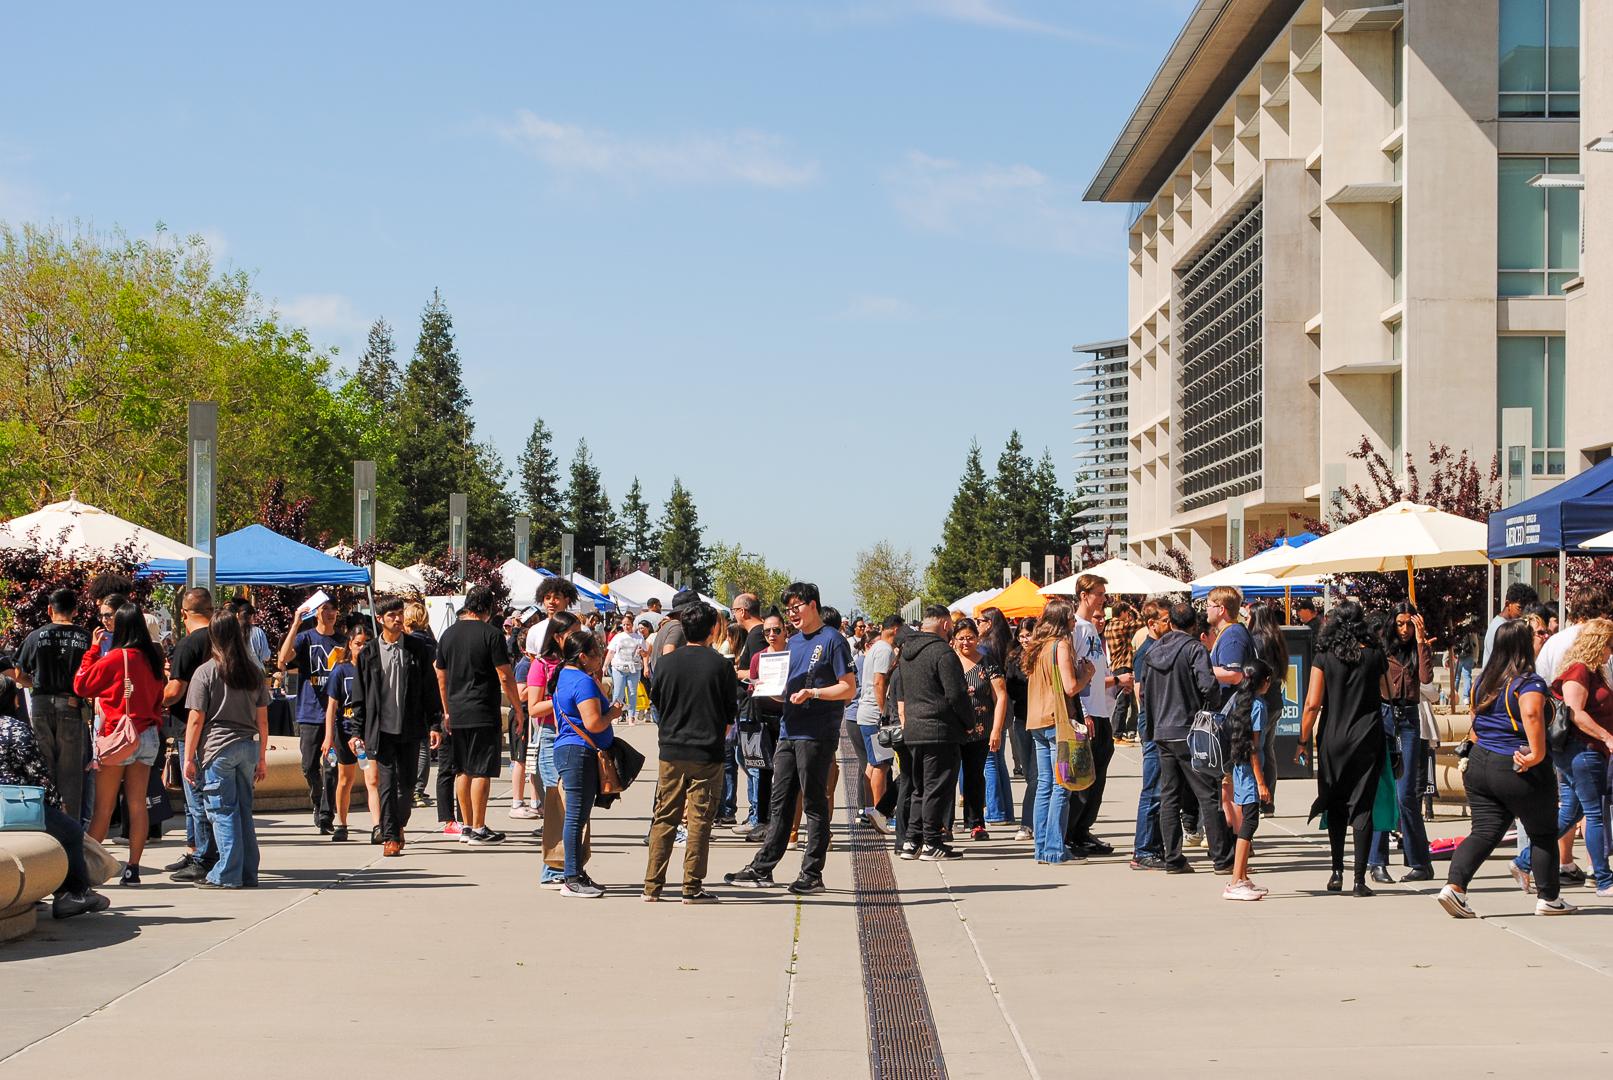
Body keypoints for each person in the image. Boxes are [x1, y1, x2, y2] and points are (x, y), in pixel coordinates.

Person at [1438, 618, 1577, 918]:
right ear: (1523, 646)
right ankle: (1549, 897)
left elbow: (1476, 721)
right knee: (1542, 831)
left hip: (1480, 763)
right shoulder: (1528, 682)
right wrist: (1538, 754)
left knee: (1484, 831)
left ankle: (1454, 887)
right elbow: (1532, 713)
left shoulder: (1482, 681)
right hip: (1516, 764)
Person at [725, 583, 856, 893]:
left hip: (817, 733)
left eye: (796, 607)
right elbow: (787, 693)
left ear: (812, 605)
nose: (792, 615)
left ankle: (812, 874)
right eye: (788, 610)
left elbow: (848, 688)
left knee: (813, 803)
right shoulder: (793, 644)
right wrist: (766, 690)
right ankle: (763, 867)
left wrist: (814, 693)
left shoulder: (833, 641)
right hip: (788, 730)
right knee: (780, 802)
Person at [643, 601, 736, 902]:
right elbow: (728, 714)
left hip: (671, 748)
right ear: (713, 630)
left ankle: (652, 886)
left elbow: (658, 701)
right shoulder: (721, 666)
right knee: (699, 820)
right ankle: (691, 886)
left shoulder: (666, 664)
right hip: (706, 751)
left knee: (664, 816)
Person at [1295, 601, 1387, 897]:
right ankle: (1360, 880)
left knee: (1334, 801)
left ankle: (1336, 871)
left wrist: (1302, 740)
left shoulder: (1324, 656)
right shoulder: (1375, 654)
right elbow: (1386, 693)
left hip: (1332, 738)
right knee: (1362, 806)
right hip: (1368, 736)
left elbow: (1311, 703)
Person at [75, 603, 166, 886]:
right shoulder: (153, 658)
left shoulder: (116, 657)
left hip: (118, 735)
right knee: (138, 805)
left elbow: (81, 685)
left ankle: (87, 869)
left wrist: (91, 650)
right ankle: (133, 868)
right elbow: (158, 698)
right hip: (147, 734)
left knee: (104, 807)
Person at [348, 595, 441, 858]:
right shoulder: (369, 654)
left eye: (400, 614)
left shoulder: (417, 649)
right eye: (391, 615)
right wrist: (357, 732)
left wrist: (435, 723)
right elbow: (360, 697)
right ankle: (390, 835)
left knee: (408, 784)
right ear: (380, 619)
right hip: (381, 731)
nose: (398, 619)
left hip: (410, 728)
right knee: (386, 784)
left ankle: (399, 824)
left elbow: (429, 689)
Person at [181, 610, 269, 888]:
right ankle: (247, 871)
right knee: (243, 810)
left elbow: (196, 719)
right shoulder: (254, 672)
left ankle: (227, 872)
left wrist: (188, 758)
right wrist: (263, 757)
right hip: (247, 746)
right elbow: (263, 719)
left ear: (213, 636)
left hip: (218, 748)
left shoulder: (206, 672)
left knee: (222, 812)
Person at [1142, 602, 1230, 874]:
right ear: (1193, 626)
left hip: (1162, 731)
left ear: (1170, 624)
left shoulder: (1153, 651)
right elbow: (1209, 686)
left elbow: (1144, 693)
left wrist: (1151, 729)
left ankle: (1173, 857)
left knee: (1170, 795)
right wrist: (1211, 710)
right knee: (1207, 793)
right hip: (1189, 730)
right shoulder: (1194, 649)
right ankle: (1221, 857)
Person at [0, 702, 110, 917]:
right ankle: (75, 893)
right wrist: (56, 803)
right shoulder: (15, 728)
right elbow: (37, 773)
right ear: (13, 700)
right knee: (71, 832)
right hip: (15, 807)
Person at [435, 585, 523, 846]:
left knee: (462, 769)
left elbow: (441, 675)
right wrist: (518, 708)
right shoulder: (491, 634)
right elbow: (505, 675)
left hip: (457, 709)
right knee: (481, 769)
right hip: (482, 708)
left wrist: (446, 709)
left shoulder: (448, 635)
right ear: (487, 609)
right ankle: (478, 827)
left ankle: (465, 826)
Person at [886, 605, 972, 862]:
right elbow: (956, 693)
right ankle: (932, 841)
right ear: (946, 625)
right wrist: (967, 721)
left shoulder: (907, 654)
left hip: (914, 728)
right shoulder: (942, 652)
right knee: (937, 786)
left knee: (919, 786)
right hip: (940, 729)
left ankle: (912, 840)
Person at [1538, 619, 1613, 898]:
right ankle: (1603, 879)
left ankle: (1523, 860)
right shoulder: (1579, 671)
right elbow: (1575, 712)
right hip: (1582, 750)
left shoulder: (1593, 671)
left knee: (1572, 811)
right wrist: (1606, 737)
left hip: (1584, 750)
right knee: (1593, 813)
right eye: (1609, 645)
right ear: (1598, 644)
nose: (1610, 651)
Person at [549, 630, 621, 897]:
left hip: (572, 750)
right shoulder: (582, 682)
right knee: (576, 817)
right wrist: (613, 713)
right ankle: (571, 877)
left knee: (577, 816)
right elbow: (593, 723)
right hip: (578, 752)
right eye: (596, 654)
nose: (600, 658)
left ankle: (576, 872)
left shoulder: (565, 677)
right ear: (582, 657)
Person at [1368, 603, 1435, 884]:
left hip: (1408, 717)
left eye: (1410, 623)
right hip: (1383, 714)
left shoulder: (1419, 648)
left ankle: (1420, 862)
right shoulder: (1383, 648)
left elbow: (1425, 679)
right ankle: (1377, 861)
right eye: (1400, 624)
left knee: (1406, 794)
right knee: (1383, 789)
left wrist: (1421, 643)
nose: (1405, 629)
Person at [1022, 600, 1092, 865]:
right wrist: (1086, 675)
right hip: (1057, 720)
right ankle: (1054, 848)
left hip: (1037, 721)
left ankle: (1042, 847)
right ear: (1063, 621)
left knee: (1044, 785)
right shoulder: (1060, 645)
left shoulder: (1037, 647)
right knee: (1063, 785)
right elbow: (1070, 686)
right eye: (1072, 618)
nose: (1075, 623)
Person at [16, 588, 93, 827]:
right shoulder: (85, 637)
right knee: (70, 772)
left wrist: (36, 684)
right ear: (76, 610)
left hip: (40, 703)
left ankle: (45, 824)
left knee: (43, 766)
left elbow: (19, 673)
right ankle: (69, 828)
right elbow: (93, 675)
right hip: (71, 704)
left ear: (50, 609)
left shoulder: (35, 636)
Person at [278, 593, 343, 834]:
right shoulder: (306, 638)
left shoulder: (342, 641)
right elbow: (282, 660)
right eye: (325, 608)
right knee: (308, 766)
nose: (329, 612)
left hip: (335, 717)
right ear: (316, 612)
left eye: (333, 608)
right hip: (309, 713)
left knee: (331, 766)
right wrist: (296, 623)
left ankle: (326, 814)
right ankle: (318, 799)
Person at [1068, 575, 1120, 858]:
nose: (1103, 598)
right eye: (1099, 593)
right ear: (1084, 595)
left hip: (1101, 711)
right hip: (1088, 712)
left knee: (1097, 779)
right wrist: (1083, 711)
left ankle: (1082, 829)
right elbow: (1074, 672)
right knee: (1085, 781)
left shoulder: (1093, 630)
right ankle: (1071, 832)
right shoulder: (1078, 629)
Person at [526, 611, 579, 886]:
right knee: (556, 802)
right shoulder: (540, 665)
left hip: (574, 736)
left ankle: (569, 865)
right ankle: (552, 868)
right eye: (574, 632)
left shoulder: (576, 663)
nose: (579, 637)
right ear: (559, 636)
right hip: (550, 735)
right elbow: (534, 707)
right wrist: (561, 698)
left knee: (570, 802)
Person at [323, 616, 378, 844]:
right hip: (345, 732)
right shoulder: (341, 671)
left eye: (366, 643)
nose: (361, 647)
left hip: (369, 733)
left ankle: (378, 825)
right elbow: (331, 707)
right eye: (358, 643)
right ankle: (342, 823)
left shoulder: (375, 670)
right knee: (345, 779)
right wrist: (329, 737)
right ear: (350, 645)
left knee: (372, 780)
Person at [1222, 659, 1273, 901]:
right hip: (1251, 772)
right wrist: (1262, 782)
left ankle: (1241, 877)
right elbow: (1253, 746)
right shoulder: (1259, 706)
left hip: (1239, 769)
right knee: (1249, 824)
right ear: (1264, 682)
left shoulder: (1239, 701)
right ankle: (1234, 882)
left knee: (1246, 820)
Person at [952, 618, 1007, 842]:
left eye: (971, 637)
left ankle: (976, 823)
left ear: (977, 638)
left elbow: (1001, 696)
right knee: (948, 777)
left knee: (975, 776)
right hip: (952, 730)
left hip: (981, 729)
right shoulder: (948, 661)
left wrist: (996, 730)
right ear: (954, 640)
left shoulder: (988, 662)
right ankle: (945, 824)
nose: (966, 642)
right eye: (962, 638)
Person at [736, 612, 789, 838]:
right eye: (767, 631)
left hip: (788, 717)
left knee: (786, 770)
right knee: (763, 770)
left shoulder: (791, 654)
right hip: (763, 717)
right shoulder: (758, 657)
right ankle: (763, 820)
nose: (771, 635)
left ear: (785, 631)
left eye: (776, 630)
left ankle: (785, 820)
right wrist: (756, 685)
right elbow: (752, 686)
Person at [1129, 599, 1170, 870]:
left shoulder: (1161, 647)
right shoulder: (1148, 651)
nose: (1170, 624)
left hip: (1159, 723)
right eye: (1165, 620)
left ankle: (1154, 845)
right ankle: (1143, 849)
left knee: (1162, 789)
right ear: (1151, 624)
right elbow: (1140, 690)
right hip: (1153, 724)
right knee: (1153, 789)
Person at [854, 615, 901, 835]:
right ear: (895, 629)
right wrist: (884, 713)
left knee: (873, 765)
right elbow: (879, 681)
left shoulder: (877, 648)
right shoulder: (884, 649)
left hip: (867, 713)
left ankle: (870, 810)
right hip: (874, 714)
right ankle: (879, 813)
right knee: (881, 764)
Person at [975, 606, 1015, 825]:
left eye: (979, 620)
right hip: (1005, 705)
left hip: (990, 707)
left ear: (989, 623)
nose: (977, 624)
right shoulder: (1007, 643)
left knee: (990, 759)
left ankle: (996, 811)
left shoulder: (984, 648)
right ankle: (1005, 810)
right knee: (998, 760)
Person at [403, 601, 441, 813]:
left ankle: (414, 788)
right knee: (424, 746)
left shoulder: (408, 643)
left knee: (416, 746)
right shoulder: (431, 643)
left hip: (410, 699)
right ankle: (419, 788)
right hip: (428, 697)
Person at [1007, 617, 1036, 839]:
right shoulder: (1014, 658)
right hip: (1021, 720)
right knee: (1028, 774)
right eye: (1022, 635)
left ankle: (1027, 823)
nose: (1025, 639)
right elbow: (1009, 690)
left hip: (1040, 721)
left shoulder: (1043, 656)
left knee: (1037, 776)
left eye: (1029, 634)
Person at [1106, 601, 1141, 742]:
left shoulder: (1108, 625)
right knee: (1123, 701)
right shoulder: (1120, 625)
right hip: (1123, 665)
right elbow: (1140, 623)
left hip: (1115, 664)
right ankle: (1117, 734)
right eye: (1127, 613)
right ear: (1122, 612)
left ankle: (1116, 732)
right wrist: (1135, 610)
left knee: (1119, 700)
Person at [1482, 583, 1540, 667]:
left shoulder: (1511, 625)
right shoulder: (1500, 627)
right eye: (1519, 608)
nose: (1523, 613)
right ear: (1507, 604)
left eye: (1526, 609)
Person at [606, 617, 647, 724]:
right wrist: (605, 665)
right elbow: (611, 652)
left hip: (634, 668)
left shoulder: (639, 638)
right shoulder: (618, 637)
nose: (626, 627)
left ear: (632, 624)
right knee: (618, 692)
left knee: (632, 692)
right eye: (624, 625)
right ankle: (615, 715)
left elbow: (645, 654)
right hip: (618, 667)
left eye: (628, 624)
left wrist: (642, 652)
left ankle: (631, 715)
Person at [229, 598, 273, 670]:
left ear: (237, 615)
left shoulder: (231, 631)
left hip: (235, 672)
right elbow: (266, 657)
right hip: (256, 673)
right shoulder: (258, 632)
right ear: (252, 616)